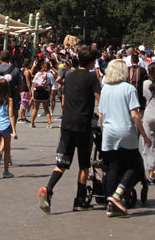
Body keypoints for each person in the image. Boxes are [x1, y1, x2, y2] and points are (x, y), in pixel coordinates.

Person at [38, 45, 100, 214]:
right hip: (83, 125)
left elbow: (68, 94)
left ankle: (48, 189)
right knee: (84, 165)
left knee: (62, 163)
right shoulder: (92, 77)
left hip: (67, 123)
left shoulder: (69, 76)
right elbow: (100, 99)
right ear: (92, 62)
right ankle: (79, 201)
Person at [99, 59, 152, 217]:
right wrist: (144, 134)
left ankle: (110, 202)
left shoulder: (105, 89)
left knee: (113, 167)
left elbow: (101, 115)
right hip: (125, 130)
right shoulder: (129, 89)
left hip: (109, 131)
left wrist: (103, 131)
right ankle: (118, 194)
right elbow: (135, 114)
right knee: (133, 165)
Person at [29, 60, 53, 128]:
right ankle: (49, 123)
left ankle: (32, 123)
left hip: (37, 92)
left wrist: (33, 94)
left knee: (36, 108)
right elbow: (50, 85)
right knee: (46, 109)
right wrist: (50, 94)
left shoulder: (37, 73)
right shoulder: (49, 74)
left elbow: (34, 84)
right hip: (45, 92)